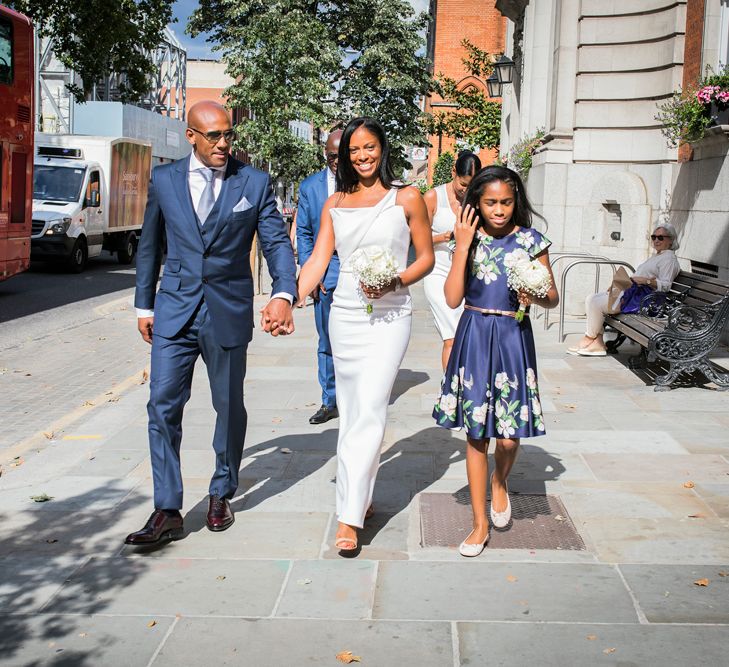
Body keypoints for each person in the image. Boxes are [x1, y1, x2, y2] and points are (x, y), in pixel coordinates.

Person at [125, 101, 297, 547]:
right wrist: (144, 306)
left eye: (228, 135)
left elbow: (276, 242)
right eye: (214, 136)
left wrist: (283, 292)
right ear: (191, 136)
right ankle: (167, 509)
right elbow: (150, 245)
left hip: (226, 309)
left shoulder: (253, 182)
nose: (224, 143)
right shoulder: (164, 180)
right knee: (161, 405)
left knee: (228, 405)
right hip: (174, 310)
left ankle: (222, 492)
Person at [297, 117, 434, 553]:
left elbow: (425, 259)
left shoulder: (407, 197)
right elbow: (319, 259)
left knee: (371, 407)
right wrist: (290, 296)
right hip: (346, 314)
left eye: (370, 147)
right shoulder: (334, 202)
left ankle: (348, 519)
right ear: (344, 156)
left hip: (391, 316)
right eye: (354, 150)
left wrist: (395, 282)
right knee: (352, 409)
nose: (362, 156)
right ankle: (361, 495)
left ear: (382, 148)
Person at [432, 165, 559, 557]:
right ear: (477, 204)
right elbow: (452, 298)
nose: (499, 210)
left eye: (505, 202)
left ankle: (499, 482)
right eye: (490, 202)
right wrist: (463, 244)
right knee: (476, 434)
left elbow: (552, 297)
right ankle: (478, 524)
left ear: (515, 201)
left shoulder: (532, 241)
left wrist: (533, 294)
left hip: (512, 339)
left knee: (508, 435)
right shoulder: (466, 239)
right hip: (474, 337)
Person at [567, 223, 681, 356]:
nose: (656, 240)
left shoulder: (669, 259)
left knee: (597, 304)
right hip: (634, 295)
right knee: (591, 298)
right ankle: (596, 341)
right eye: (654, 237)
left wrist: (646, 281)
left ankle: (590, 338)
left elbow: (666, 285)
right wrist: (619, 284)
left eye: (661, 237)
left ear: (671, 240)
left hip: (645, 302)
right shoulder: (658, 256)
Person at [296, 130, 343, 423]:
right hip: (323, 270)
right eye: (331, 155)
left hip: (353, 269)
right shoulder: (310, 187)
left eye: (342, 154)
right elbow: (303, 232)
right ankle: (330, 400)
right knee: (326, 340)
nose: (336, 161)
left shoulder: (361, 184)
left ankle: (355, 396)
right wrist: (309, 273)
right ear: (324, 153)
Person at [423, 151, 482, 370]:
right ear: (453, 172)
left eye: (472, 185)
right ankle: (449, 388)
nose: (466, 190)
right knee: (452, 335)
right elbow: (416, 238)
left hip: (468, 273)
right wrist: (446, 236)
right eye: (463, 184)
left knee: (467, 334)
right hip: (438, 272)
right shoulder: (432, 197)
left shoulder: (478, 199)